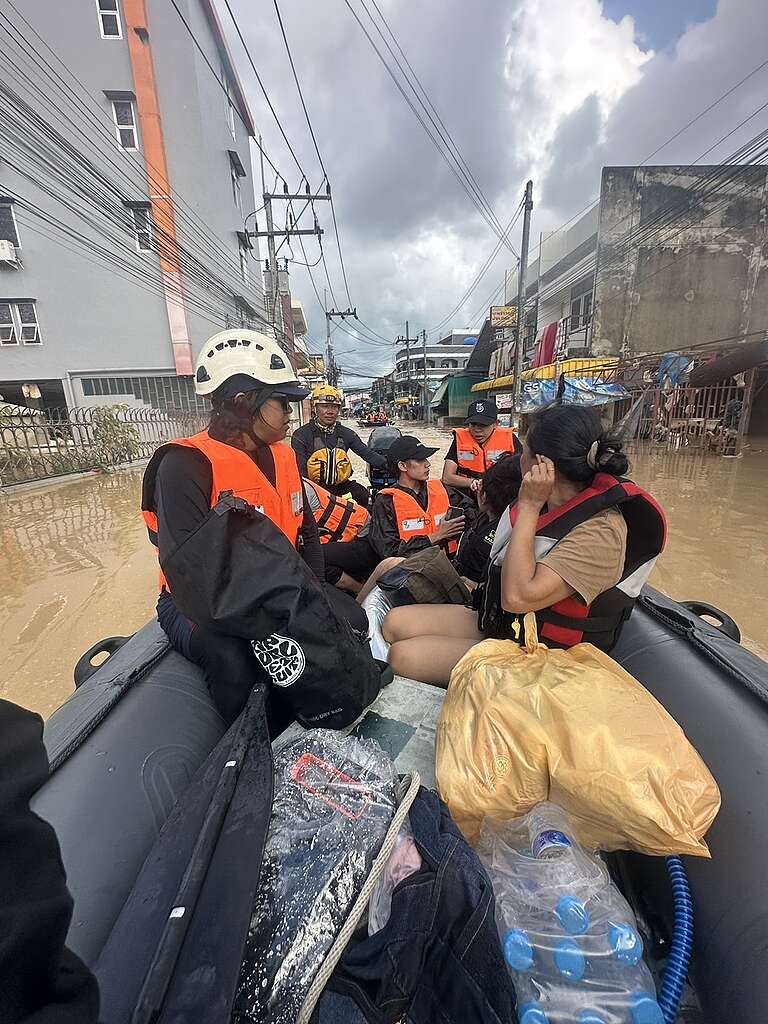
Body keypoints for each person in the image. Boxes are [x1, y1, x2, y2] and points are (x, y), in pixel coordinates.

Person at [141, 329, 368, 727]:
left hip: (277, 592)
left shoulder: (283, 456)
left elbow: (307, 534)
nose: (291, 413)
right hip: (200, 604)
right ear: (244, 402)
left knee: (351, 621)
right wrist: (270, 625)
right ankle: (252, 743)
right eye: (282, 403)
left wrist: (313, 602)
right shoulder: (185, 465)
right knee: (233, 661)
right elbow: (193, 578)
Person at [384, 405, 666, 686]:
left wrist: (529, 505)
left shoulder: (600, 532)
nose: (518, 458)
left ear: (542, 465)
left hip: (547, 655)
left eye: (525, 451)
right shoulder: (548, 502)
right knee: (394, 623)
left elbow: (518, 598)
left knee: (401, 657)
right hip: (506, 624)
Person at [368, 435, 466, 561]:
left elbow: (471, 514)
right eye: (420, 460)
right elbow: (389, 551)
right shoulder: (386, 501)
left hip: (449, 563)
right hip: (410, 569)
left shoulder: (442, 489)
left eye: (426, 459)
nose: (428, 464)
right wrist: (436, 536)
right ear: (403, 466)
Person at [291, 384, 388, 506]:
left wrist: (392, 465)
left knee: (363, 495)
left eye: (334, 407)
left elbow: (367, 453)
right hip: (313, 488)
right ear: (315, 408)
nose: (330, 411)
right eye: (325, 406)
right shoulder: (301, 435)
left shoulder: (346, 434)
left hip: (340, 486)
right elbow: (300, 473)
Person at [442, 399, 521, 496]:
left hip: (501, 493)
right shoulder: (459, 440)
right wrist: (473, 482)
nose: (477, 430)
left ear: (496, 423)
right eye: (473, 424)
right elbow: (447, 477)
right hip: (468, 494)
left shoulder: (510, 439)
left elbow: (524, 471)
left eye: (483, 425)